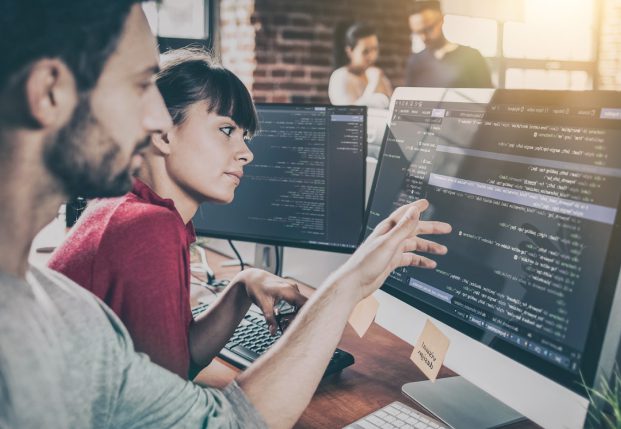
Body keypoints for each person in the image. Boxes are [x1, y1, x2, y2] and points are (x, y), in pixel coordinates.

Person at [0, 1, 452, 428]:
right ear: (50, 92)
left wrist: (239, 288)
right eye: (140, 85)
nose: (157, 121)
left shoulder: (57, 304)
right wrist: (348, 282)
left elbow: (200, 402)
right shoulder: (140, 228)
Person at [48, 48, 308, 380]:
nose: (247, 154)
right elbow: (170, 401)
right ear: (162, 132)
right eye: (226, 130)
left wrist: (242, 286)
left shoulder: (130, 207)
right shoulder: (146, 227)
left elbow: (181, 361)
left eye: (245, 136)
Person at [405, 0, 493, 88]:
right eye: (418, 32)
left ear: (442, 19)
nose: (424, 37)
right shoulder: (415, 61)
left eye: (428, 29)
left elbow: (489, 97)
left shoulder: (472, 56)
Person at [328, 22, 393, 108]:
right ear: (350, 51)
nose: (372, 56)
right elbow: (349, 115)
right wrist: (374, 82)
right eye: (365, 51)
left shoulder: (378, 75)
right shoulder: (340, 77)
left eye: (375, 49)